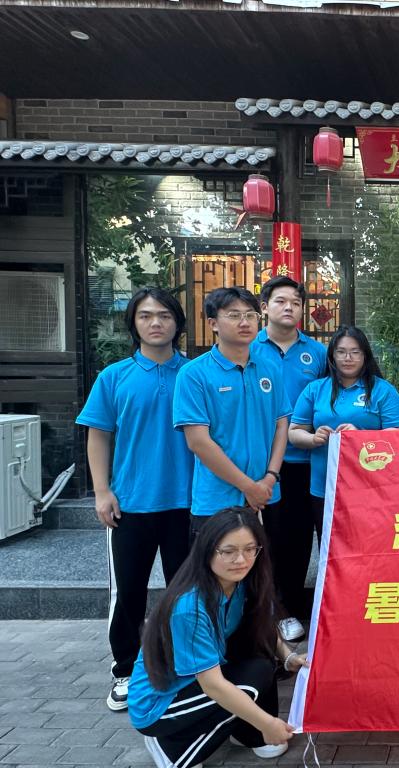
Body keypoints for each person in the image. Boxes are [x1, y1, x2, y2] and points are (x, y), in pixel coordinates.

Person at [76, 288, 194, 712]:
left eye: (164, 315)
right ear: (134, 324)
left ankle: (185, 665)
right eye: (145, 316)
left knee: (187, 592)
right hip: (130, 504)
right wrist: (102, 491)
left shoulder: (195, 374)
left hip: (187, 504)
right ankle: (125, 668)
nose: (155, 323)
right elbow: (99, 436)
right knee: (128, 592)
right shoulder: (114, 377)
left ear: (178, 323)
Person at [129, 508, 308, 768]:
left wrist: (289, 657)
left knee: (259, 661)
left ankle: (247, 733)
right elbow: (213, 685)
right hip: (160, 703)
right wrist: (268, 723)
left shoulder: (241, 583)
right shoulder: (189, 607)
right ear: (207, 550)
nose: (241, 559)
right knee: (245, 687)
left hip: (198, 680)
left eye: (250, 549)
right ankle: (171, 746)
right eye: (228, 551)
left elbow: (263, 629)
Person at [173, 288, 291, 536]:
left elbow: (281, 425)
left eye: (250, 315)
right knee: (219, 561)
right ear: (213, 323)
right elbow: (198, 442)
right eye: (234, 315)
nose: (244, 322)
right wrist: (248, 487)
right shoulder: (194, 374)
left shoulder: (270, 369)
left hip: (267, 494)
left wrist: (270, 477)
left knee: (267, 561)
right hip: (216, 501)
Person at [249, 275, 327, 642]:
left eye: (296, 303)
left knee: (297, 541)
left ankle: (290, 609)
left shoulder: (318, 353)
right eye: (281, 301)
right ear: (265, 307)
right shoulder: (249, 349)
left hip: (305, 463)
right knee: (265, 540)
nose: (289, 308)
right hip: (259, 465)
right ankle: (265, 611)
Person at [290, 326, 399, 534]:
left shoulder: (383, 390)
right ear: (332, 356)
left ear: (365, 355)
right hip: (324, 486)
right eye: (341, 352)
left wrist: (360, 437)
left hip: (370, 486)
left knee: (368, 544)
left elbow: (398, 436)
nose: (348, 358)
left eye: (355, 352)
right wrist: (313, 438)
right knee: (328, 544)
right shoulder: (316, 389)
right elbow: (294, 432)